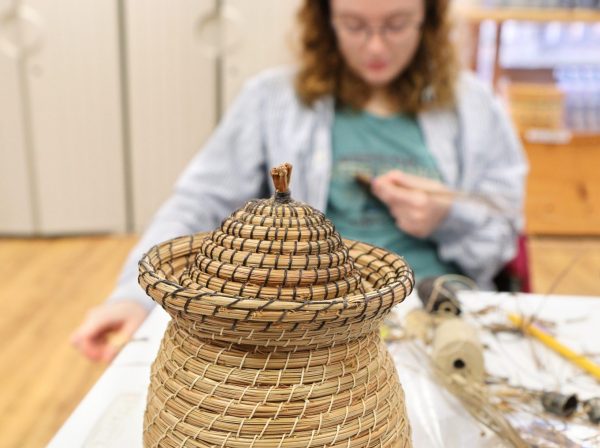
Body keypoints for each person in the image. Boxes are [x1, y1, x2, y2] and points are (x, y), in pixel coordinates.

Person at [71, 0, 527, 362]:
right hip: (310, 323)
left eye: (396, 24)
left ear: (427, 20)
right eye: (353, 24)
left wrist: (445, 218)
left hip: (438, 314)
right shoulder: (272, 100)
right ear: (325, 20)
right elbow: (197, 203)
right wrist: (134, 297)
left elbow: (503, 230)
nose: (374, 47)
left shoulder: (473, 106)